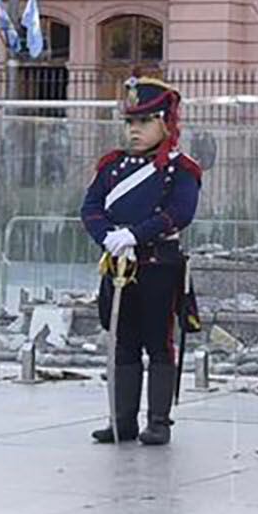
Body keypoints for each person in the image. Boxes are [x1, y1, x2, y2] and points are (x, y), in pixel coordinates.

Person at [80, 75, 201, 445]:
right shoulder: (112, 166)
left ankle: (159, 422)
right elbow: (91, 208)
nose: (135, 130)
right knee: (122, 342)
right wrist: (109, 239)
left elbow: (179, 212)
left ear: (165, 123)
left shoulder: (180, 169)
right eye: (130, 122)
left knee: (158, 342)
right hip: (118, 264)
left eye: (144, 121)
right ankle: (123, 420)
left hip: (158, 266)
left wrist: (136, 234)